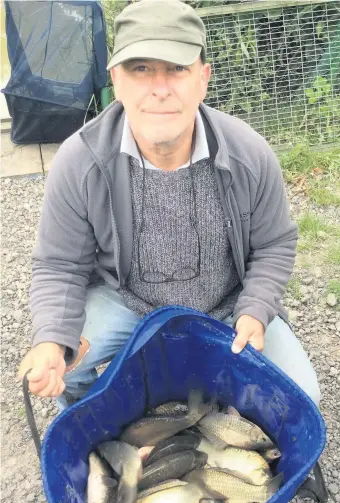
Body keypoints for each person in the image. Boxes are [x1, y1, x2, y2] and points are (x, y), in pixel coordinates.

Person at [18, 0, 320, 409]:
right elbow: (60, 265)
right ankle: (101, 428)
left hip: (229, 303)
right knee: (66, 361)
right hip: (127, 301)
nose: (160, 89)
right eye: (140, 69)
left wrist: (256, 308)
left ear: (204, 79)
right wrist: (52, 338)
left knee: (304, 397)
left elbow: (275, 244)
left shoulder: (249, 153)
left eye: (177, 68)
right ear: (115, 80)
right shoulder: (79, 162)